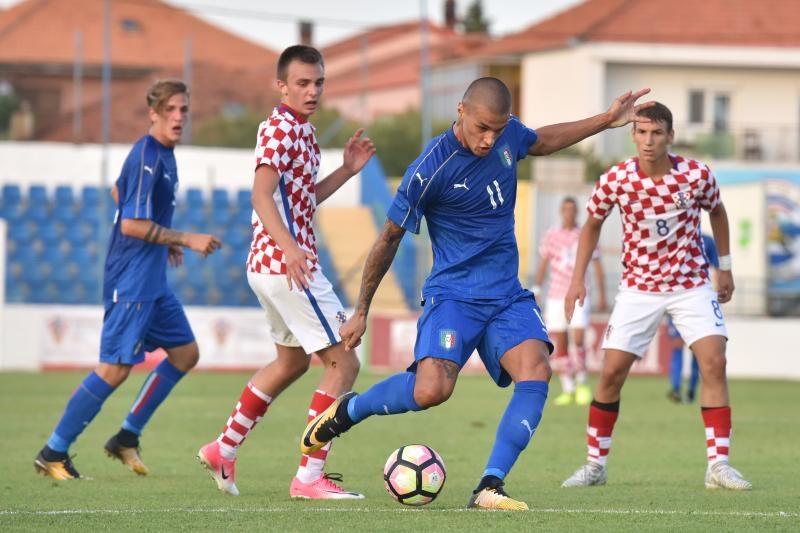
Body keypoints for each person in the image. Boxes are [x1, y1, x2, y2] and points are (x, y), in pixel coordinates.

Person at [300, 77, 653, 510]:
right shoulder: (430, 167)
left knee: (537, 370)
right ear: (462, 111)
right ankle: (350, 411)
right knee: (432, 390)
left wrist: (604, 121)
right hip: (453, 294)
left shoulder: (507, 137)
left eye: (499, 130)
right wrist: (361, 310)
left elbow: (540, 140)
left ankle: (490, 485)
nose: (490, 139)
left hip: (505, 294)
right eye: (483, 127)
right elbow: (389, 237)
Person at [197, 45, 375, 499]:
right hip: (288, 264)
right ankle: (309, 478)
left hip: (268, 264)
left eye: (318, 82)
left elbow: (301, 199)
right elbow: (261, 195)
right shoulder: (279, 128)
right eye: (302, 83)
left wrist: (347, 172)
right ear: (282, 85)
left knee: (291, 361)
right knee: (344, 362)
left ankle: (224, 447)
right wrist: (292, 249)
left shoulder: (302, 130)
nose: (312, 90)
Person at [34, 79, 222, 480]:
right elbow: (133, 224)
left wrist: (163, 241)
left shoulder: (165, 155)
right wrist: (183, 238)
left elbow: (119, 193)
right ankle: (53, 451)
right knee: (114, 369)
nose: (178, 117)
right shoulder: (146, 155)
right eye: (170, 110)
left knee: (186, 354)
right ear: (153, 113)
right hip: (132, 281)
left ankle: (126, 437)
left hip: (152, 280)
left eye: (183, 110)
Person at [561, 102, 751, 490]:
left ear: (670, 136)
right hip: (638, 289)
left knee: (714, 363)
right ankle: (595, 465)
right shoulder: (616, 179)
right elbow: (592, 224)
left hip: (691, 285)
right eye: (642, 133)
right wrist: (577, 278)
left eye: (656, 133)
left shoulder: (696, 176)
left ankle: (718, 466)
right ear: (633, 135)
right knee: (611, 373)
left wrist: (725, 266)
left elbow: (718, 213)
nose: (649, 141)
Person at [532, 196, 607, 406]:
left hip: (580, 292)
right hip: (556, 295)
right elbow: (543, 264)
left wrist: (602, 295)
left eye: (573, 210)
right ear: (560, 211)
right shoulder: (551, 235)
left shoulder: (585, 234)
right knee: (560, 341)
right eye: (566, 209)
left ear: (577, 213)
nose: (569, 213)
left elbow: (598, 266)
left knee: (579, 337)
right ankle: (568, 387)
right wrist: (536, 288)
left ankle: (582, 383)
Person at [667, 233, 719, 403]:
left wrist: (716, 296)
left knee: (699, 349)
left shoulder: (707, 241)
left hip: (699, 299)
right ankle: (675, 388)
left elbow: (716, 269)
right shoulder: (674, 236)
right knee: (676, 346)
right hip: (675, 296)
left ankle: (691, 391)